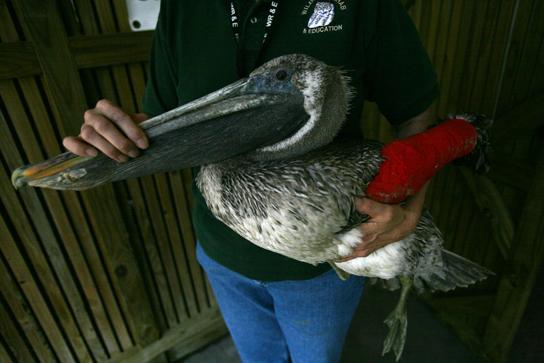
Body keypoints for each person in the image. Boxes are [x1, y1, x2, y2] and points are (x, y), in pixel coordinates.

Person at [63, 1, 439, 362]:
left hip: (323, 268)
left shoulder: (361, 6)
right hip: (221, 252)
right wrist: (115, 134)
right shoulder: (182, 6)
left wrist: (409, 213)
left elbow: (415, 110)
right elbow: (166, 119)